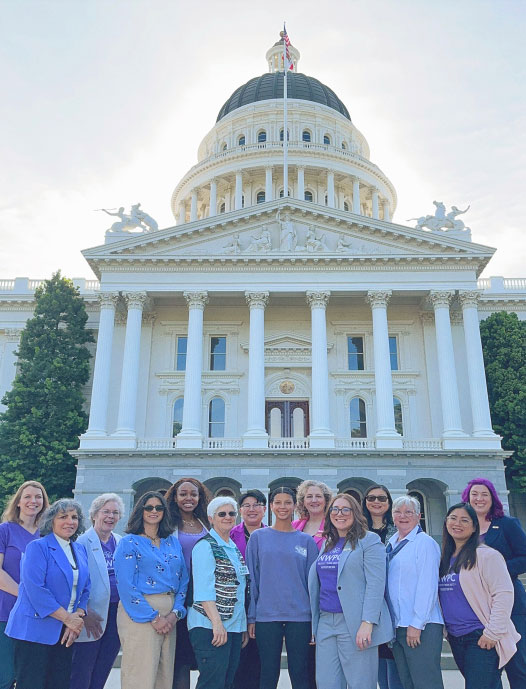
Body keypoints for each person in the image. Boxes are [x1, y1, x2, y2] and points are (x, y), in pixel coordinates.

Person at [308, 493, 393, 689]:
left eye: (346, 509)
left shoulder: (369, 540)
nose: (340, 514)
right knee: (326, 683)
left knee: (360, 683)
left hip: (354, 622)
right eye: (335, 509)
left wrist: (367, 622)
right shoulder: (329, 542)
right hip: (326, 622)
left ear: (355, 512)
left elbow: (376, 584)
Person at [5, 499, 90, 689]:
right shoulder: (38, 547)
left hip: (65, 631)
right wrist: (68, 618)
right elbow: (35, 590)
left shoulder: (79, 549)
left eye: (74, 517)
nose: (70, 521)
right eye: (63, 517)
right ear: (51, 520)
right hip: (34, 630)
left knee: (59, 684)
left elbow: (85, 588)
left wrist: (78, 615)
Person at [439, 502, 520, 689]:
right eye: (453, 518)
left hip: (481, 636)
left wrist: (492, 633)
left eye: (464, 520)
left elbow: (504, 594)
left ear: (474, 527)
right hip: (456, 636)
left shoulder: (487, 556)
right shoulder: (444, 558)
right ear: (446, 522)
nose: (457, 523)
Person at [246, 487, 319, 689]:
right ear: (271, 506)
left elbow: (313, 584)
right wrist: (252, 617)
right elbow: (253, 580)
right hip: (267, 616)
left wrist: (315, 620)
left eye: (288, 502)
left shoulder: (306, 541)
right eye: (278, 502)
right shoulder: (258, 538)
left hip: (301, 617)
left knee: (300, 674)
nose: (283, 507)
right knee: (268, 674)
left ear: (295, 506)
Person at [114, 491, 188, 689]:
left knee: (164, 676)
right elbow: (126, 585)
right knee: (141, 675)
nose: (154, 511)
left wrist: (175, 613)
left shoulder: (172, 542)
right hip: (140, 614)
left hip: (170, 613)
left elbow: (183, 579)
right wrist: (154, 618)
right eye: (149, 507)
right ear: (140, 510)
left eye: (159, 507)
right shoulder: (128, 543)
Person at [462, 477, 526, 689]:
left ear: (493, 498)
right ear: (467, 499)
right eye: (474, 495)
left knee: (519, 664)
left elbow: (524, 556)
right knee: (487, 670)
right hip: (477, 608)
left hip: (511, 603)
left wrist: (496, 570)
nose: (479, 499)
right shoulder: (463, 529)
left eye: (484, 494)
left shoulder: (506, 524)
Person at [187, 497, 248, 689]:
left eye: (232, 513)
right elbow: (203, 590)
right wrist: (217, 624)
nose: (228, 517)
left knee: (227, 682)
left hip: (233, 626)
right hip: (209, 626)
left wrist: (241, 626)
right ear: (211, 518)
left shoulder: (232, 547)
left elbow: (240, 589)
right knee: (212, 682)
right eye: (222, 514)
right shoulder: (205, 546)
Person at [386, 495, 444, 689]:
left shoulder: (424, 543)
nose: (403, 516)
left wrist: (417, 624)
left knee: (426, 682)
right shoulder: (391, 544)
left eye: (408, 512)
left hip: (421, 625)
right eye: (398, 512)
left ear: (418, 516)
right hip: (399, 625)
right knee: (407, 683)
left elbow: (428, 586)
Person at [70, 493, 124, 689]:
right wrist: (84, 612)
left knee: (104, 666)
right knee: (82, 669)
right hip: (91, 614)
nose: (110, 516)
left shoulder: (120, 541)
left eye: (115, 513)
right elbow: (74, 582)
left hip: (116, 613)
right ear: (94, 514)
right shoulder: (81, 543)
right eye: (106, 511)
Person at [0, 480, 49, 689]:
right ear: (18, 502)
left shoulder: (47, 536)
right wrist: (26, 595)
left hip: (38, 618)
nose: (33, 501)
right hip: (6, 613)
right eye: (27, 496)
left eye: (38, 497)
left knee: (29, 676)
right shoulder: (5, 530)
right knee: (5, 676)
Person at [165, 478, 211, 689]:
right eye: (183, 494)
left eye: (193, 494)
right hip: (178, 596)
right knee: (180, 659)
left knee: (205, 656)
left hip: (203, 597)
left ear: (200, 497)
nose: (188, 498)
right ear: (174, 497)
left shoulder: (206, 523)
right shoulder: (166, 525)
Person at [362, 485, 403, 689]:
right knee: (375, 651)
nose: (376, 502)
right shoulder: (359, 530)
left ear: (389, 502)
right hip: (368, 596)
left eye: (382, 498)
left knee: (393, 653)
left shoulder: (399, 529)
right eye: (371, 498)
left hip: (394, 595)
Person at [230, 490, 268, 689]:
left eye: (257, 504)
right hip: (236, 605)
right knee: (237, 661)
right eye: (247, 505)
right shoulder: (229, 535)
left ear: (264, 509)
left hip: (264, 606)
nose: (252, 509)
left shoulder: (273, 534)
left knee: (260, 663)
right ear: (240, 510)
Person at [292, 479, 332, 550]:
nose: (314, 500)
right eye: (309, 496)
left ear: (326, 500)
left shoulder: (333, 525)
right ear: (303, 501)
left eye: (318, 496)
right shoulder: (294, 526)